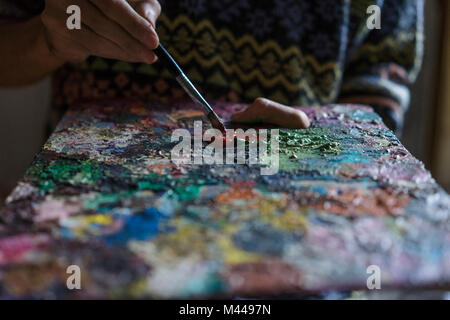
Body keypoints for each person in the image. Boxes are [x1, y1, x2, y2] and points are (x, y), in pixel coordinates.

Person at [0, 0, 423, 133]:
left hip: (299, 239)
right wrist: (49, 37)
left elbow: (379, 104)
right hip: (90, 232)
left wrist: (318, 139)